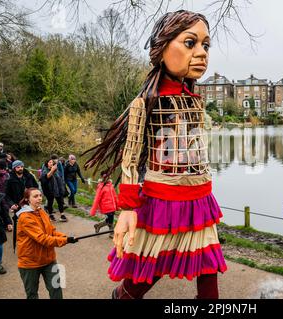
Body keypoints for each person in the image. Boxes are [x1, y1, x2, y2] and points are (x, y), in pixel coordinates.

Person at [84, 10, 227, 299]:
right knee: (153, 267)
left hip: (200, 198)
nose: (201, 53)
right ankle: (122, 296)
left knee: (208, 270)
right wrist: (126, 207)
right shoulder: (144, 103)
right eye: (190, 43)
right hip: (162, 199)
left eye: (206, 45)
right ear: (162, 49)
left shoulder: (195, 103)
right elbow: (131, 156)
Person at [16, 188, 78, 299]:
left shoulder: (42, 211)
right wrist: (65, 240)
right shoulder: (25, 217)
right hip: (30, 263)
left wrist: (66, 237)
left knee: (56, 288)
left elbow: (52, 231)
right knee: (32, 294)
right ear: (27, 199)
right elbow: (42, 239)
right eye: (35, 196)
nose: (39, 198)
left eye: (40, 195)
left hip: (49, 260)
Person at [90, 171, 118, 239]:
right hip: (106, 206)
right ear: (102, 177)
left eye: (108, 176)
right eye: (105, 176)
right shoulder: (101, 186)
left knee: (109, 219)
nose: (107, 178)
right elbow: (97, 198)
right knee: (111, 219)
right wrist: (93, 210)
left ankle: (98, 226)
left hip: (112, 206)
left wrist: (117, 205)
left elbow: (114, 196)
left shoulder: (110, 185)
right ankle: (111, 232)